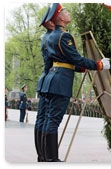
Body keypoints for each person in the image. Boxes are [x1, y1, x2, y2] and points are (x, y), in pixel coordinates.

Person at [41, 3, 110, 162]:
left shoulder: (51, 36)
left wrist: (82, 68)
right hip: (60, 82)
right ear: (60, 18)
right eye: (64, 11)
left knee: (50, 119)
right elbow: (75, 58)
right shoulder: (64, 36)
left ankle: (46, 157)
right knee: (54, 120)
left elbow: (63, 60)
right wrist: (98, 65)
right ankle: (51, 160)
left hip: (53, 78)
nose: (67, 13)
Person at [34, 6, 55, 162]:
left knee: (41, 119)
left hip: (44, 80)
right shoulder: (51, 38)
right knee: (47, 119)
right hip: (50, 80)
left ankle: (42, 155)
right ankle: (46, 157)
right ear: (50, 23)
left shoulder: (46, 38)